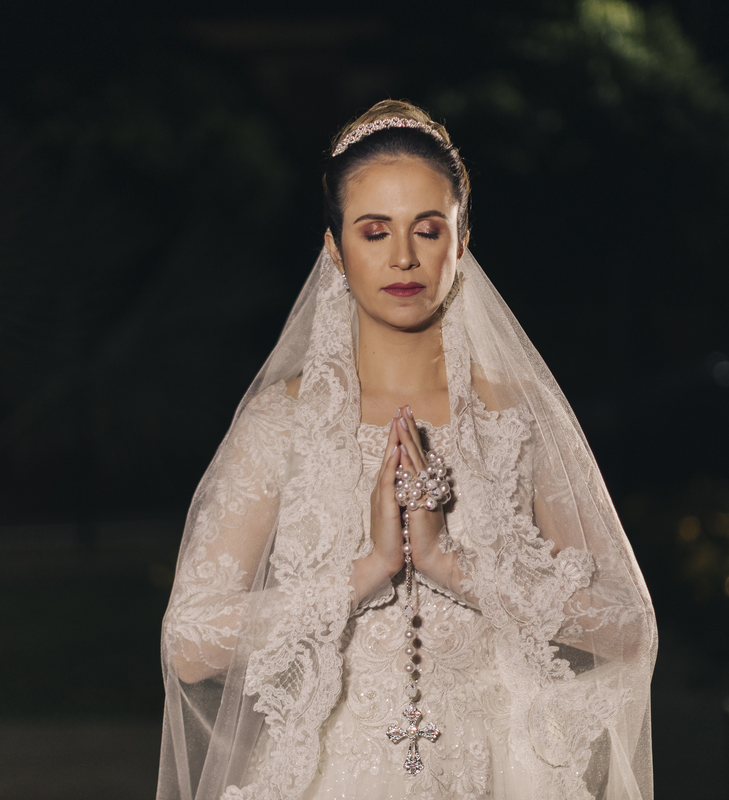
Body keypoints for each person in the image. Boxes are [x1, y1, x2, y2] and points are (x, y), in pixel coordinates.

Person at [157, 100, 657, 800]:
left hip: (503, 774)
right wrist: (367, 571)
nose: (403, 257)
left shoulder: (517, 417)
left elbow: (630, 627)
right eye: (373, 231)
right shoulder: (283, 423)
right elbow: (188, 644)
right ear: (335, 250)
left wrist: (456, 567)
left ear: (462, 240)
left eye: (427, 229)